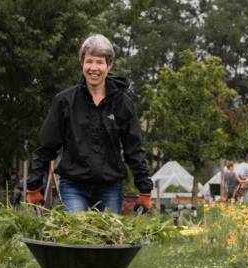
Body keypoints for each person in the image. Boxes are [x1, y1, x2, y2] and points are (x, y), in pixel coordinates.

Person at [25, 34, 153, 213]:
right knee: (77, 234)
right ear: (82, 64)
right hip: (73, 186)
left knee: (107, 239)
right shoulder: (65, 102)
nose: (94, 68)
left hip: (110, 186)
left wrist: (145, 189)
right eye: (89, 61)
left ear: (109, 65)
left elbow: (134, 149)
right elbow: (46, 146)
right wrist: (33, 185)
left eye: (99, 62)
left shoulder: (122, 104)